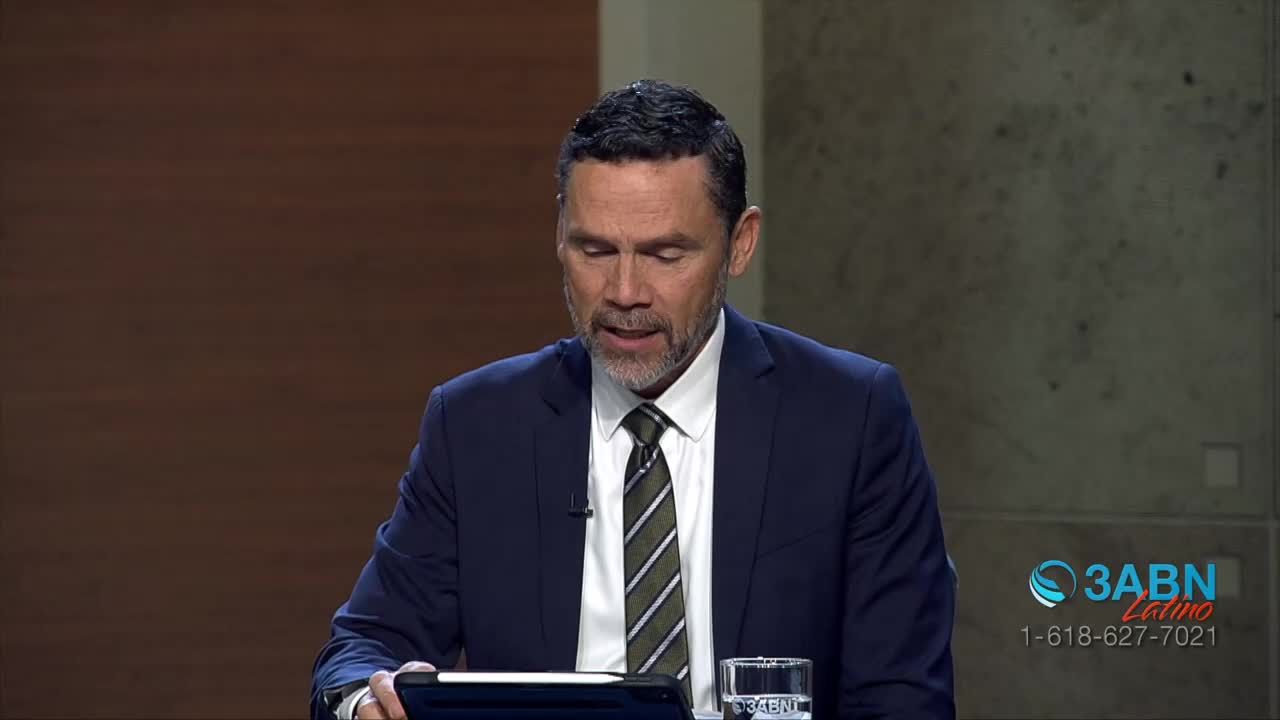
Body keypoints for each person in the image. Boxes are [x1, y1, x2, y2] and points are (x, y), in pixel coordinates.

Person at [311, 79, 955, 720]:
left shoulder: (850, 417)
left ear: (740, 244)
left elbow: (904, 697)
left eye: (664, 254)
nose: (624, 292)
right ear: (559, 235)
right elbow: (363, 646)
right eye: (595, 250)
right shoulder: (478, 424)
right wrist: (365, 698)